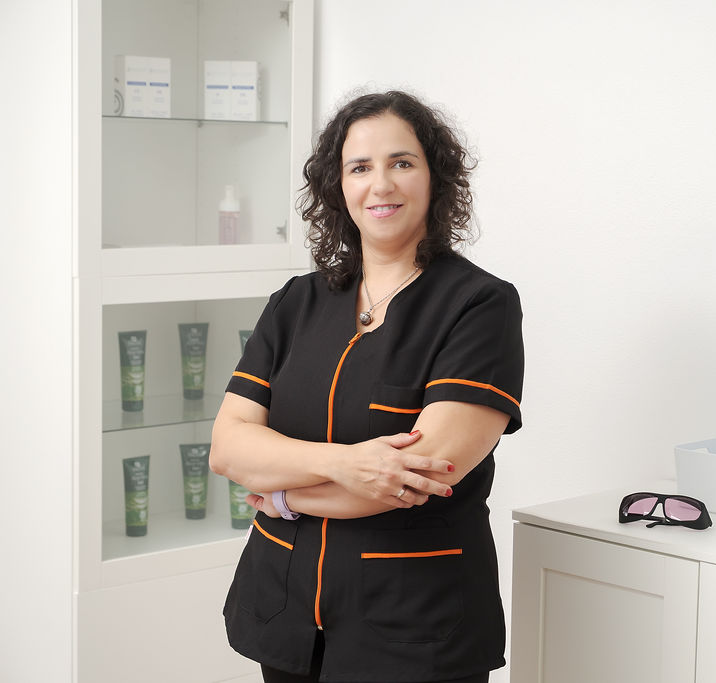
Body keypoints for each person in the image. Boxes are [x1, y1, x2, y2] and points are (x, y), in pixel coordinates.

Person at [210, 90, 524, 683]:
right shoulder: (296, 302)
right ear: (339, 186)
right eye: (360, 167)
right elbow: (228, 448)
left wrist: (282, 495)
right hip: (287, 611)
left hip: (415, 629)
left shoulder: (479, 305)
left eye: (401, 162)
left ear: (435, 177)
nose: (381, 184)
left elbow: (414, 479)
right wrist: (343, 464)